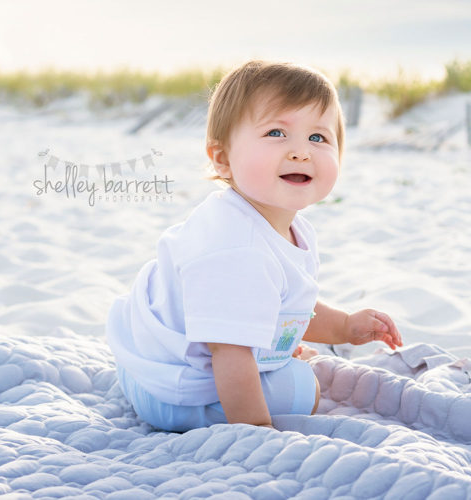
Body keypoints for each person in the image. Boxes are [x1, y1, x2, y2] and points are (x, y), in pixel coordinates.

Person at [106, 59, 403, 432]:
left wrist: (343, 326)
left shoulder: (288, 226)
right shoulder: (236, 247)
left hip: (153, 357)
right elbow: (229, 354)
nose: (301, 152)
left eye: (318, 138)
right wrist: (257, 432)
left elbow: (285, 302)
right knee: (300, 388)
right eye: (277, 133)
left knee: (265, 345)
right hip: (171, 388)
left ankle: (269, 356)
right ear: (223, 158)